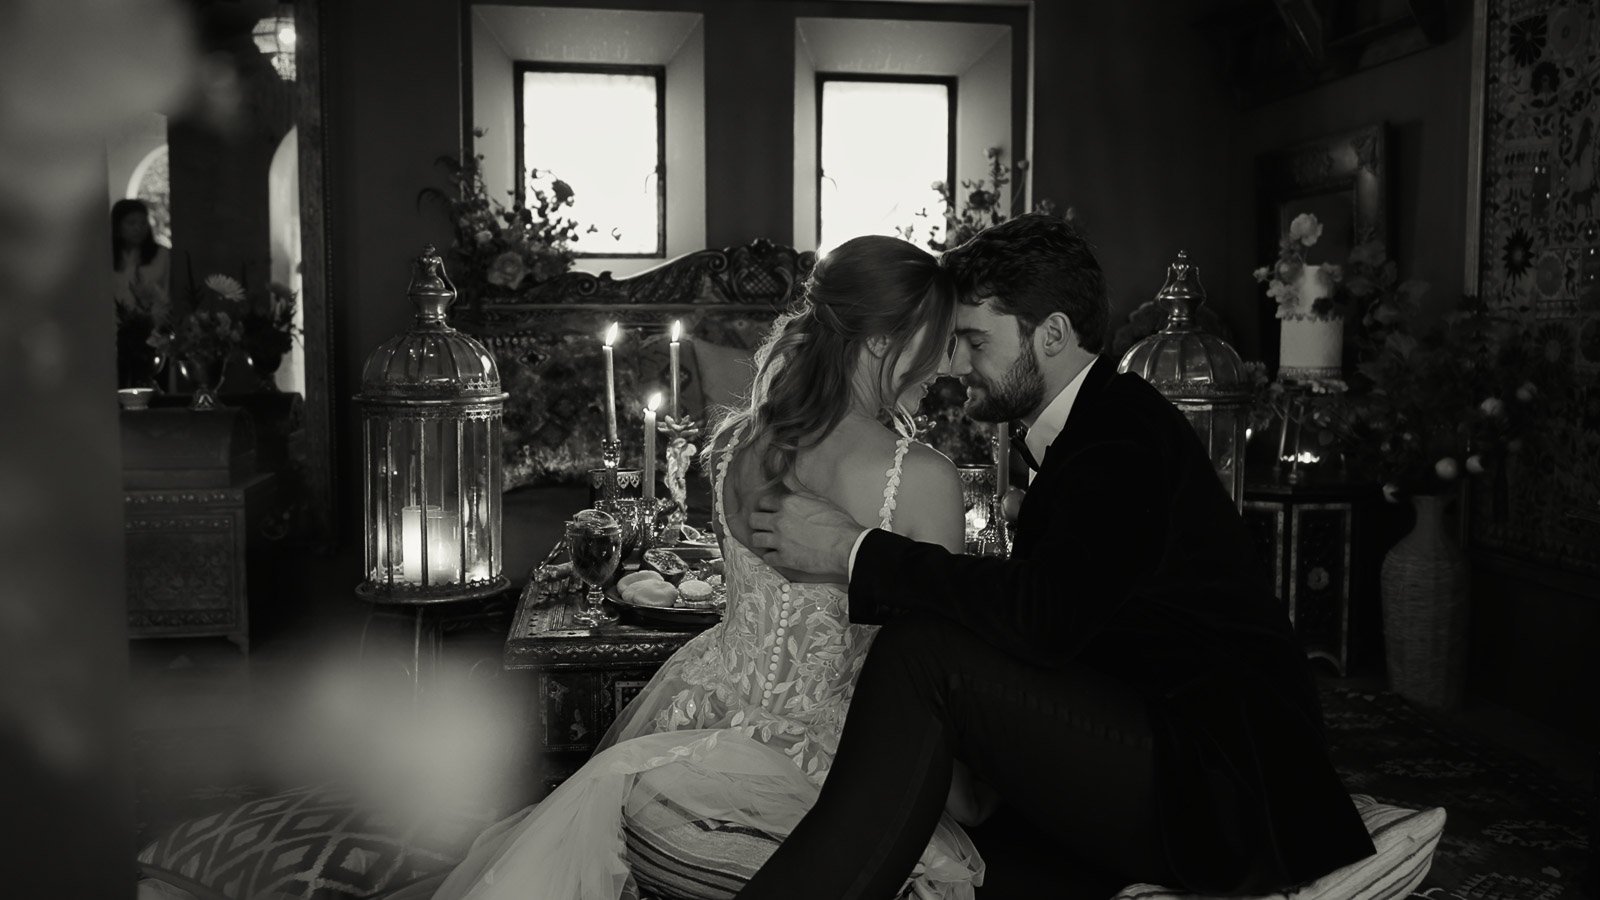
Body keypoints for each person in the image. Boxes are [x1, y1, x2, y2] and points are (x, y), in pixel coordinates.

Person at [735, 215, 1376, 900]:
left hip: (1219, 784)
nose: (954, 365)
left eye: (974, 340)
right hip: (1148, 734)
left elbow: (1042, 619)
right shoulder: (1092, 423)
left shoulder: (1118, 438)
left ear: (1052, 334)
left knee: (924, 654)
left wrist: (848, 547)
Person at [428, 235, 985, 900]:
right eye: (939, 341)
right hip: (824, 774)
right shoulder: (922, 479)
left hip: (695, 728)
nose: (949, 366)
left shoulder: (735, 446)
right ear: (879, 342)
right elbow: (944, 665)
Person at [111, 198, 170, 308]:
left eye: (143, 223)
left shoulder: (161, 255)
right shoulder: (107, 255)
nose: (138, 228)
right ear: (117, 226)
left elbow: (168, 295)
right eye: (131, 223)